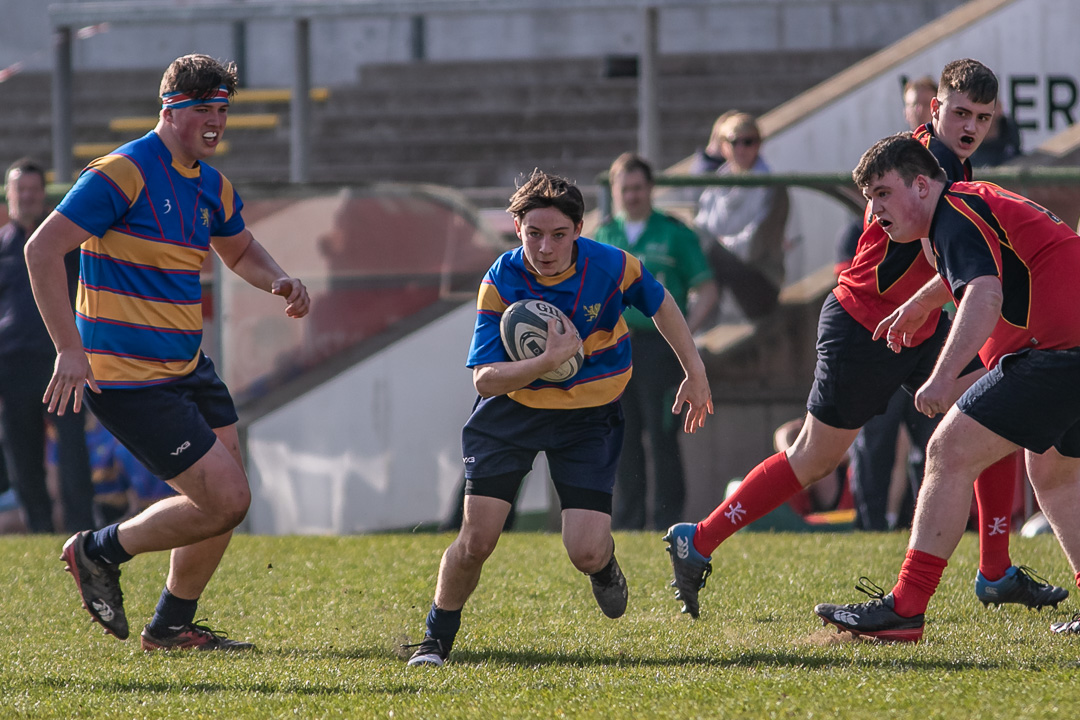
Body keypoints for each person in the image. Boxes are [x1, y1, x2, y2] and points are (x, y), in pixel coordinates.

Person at [662, 59, 1068, 619]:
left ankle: (994, 569)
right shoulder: (916, 166)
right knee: (815, 458)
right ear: (934, 110)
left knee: (994, 408)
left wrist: (929, 304)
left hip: (915, 321)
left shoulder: (956, 169)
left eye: (982, 116)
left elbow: (955, 267)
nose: (970, 125)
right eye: (960, 112)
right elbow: (957, 267)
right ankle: (699, 539)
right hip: (863, 325)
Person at [25, 54, 310, 651]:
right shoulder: (123, 171)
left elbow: (238, 249)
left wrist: (279, 278)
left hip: (188, 368)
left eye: (222, 110)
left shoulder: (211, 184)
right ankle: (96, 551)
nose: (215, 121)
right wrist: (68, 349)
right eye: (202, 108)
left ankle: (171, 626)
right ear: (170, 109)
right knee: (227, 499)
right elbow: (42, 250)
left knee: (224, 499)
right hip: (129, 380)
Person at [404, 170, 712, 667]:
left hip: (588, 415)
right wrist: (546, 363)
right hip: (512, 411)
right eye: (533, 234)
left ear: (580, 230)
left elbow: (661, 304)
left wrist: (694, 371)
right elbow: (485, 380)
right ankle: (435, 641)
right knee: (477, 539)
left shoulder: (611, 265)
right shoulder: (501, 278)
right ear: (518, 229)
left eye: (558, 235)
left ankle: (604, 564)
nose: (545, 247)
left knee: (585, 551)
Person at [815, 132, 1080, 641]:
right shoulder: (964, 205)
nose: (874, 209)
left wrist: (943, 377)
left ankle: (906, 608)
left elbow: (983, 291)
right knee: (1054, 474)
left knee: (947, 453)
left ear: (920, 185)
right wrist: (922, 301)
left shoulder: (952, 214)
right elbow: (984, 266)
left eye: (882, 193)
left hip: (1056, 356)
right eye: (869, 198)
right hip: (1067, 351)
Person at [595, 153, 718, 531]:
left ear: (650, 189)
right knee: (623, 436)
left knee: (663, 434)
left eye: (637, 188)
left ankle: (667, 517)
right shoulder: (603, 236)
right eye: (624, 189)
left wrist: (685, 334)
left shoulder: (674, 233)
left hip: (658, 349)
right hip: (616, 349)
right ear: (614, 192)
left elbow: (707, 289)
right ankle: (629, 520)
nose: (631, 195)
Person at [0, 158, 95, 533]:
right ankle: (39, 529)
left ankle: (81, 530)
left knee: (72, 449)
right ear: (9, 196)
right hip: (12, 367)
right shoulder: (2, 247)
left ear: (44, 196)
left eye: (33, 191)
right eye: (19, 190)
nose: (26, 197)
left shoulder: (62, 244)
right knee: (22, 454)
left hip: (58, 361)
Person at [694, 111, 789, 321]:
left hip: (762, 281)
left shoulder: (772, 187)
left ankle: (695, 325)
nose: (741, 149)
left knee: (709, 252)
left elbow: (751, 247)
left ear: (759, 144)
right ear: (723, 146)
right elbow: (701, 229)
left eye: (749, 142)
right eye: (734, 142)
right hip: (723, 273)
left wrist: (719, 245)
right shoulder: (718, 183)